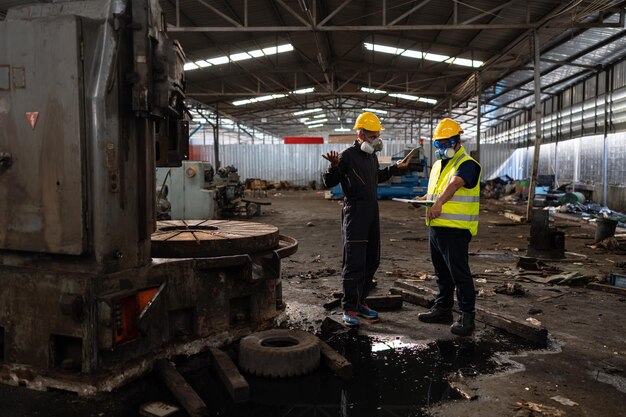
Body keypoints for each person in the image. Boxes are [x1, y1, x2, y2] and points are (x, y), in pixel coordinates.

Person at [322, 111, 410, 327]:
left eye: (378, 135)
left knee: (372, 259)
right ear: (360, 135)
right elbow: (328, 183)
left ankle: (361, 302)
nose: (376, 140)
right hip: (355, 212)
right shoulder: (347, 156)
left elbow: (376, 177)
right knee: (354, 262)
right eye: (372, 136)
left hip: (372, 211)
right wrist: (333, 166)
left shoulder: (371, 156)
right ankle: (349, 307)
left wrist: (395, 168)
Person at [415, 118, 481, 336]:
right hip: (436, 227)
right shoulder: (438, 165)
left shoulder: (467, 164)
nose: (441, 147)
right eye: (438, 144)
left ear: (457, 140)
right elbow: (438, 189)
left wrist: (439, 203)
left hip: (456, 229)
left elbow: (455, 184)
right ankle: (443, 309)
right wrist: (425, 198)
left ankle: (467, 317)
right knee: (441, 272)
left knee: (459, 274)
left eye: (445, 142)